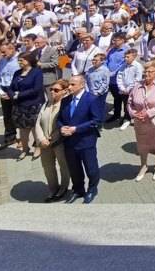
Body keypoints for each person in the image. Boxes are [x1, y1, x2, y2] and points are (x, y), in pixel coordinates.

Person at [57, 74, 104, 204]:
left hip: (85, 141)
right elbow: (60, 119)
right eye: (69, 84)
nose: (70, 87)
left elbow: (97, 121)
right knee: (74, 169)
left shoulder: (92, 99)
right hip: (69, 142)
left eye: (73, 84)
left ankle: (92, 189)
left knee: (91, 168)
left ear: (82, 85)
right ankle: (78, 190)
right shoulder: (65, 100)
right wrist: (61, 128)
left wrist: (76, 129)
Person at [127, 60, 155, 181]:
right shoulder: (138, 85)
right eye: (145, 71)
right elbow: (129, 101)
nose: (146, 73)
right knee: (142, 145)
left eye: (150, 71)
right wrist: (133, 114)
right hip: (140, 122)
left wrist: (148, 113)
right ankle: (143, 166)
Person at [33, 79, 70, 202]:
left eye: (56, 90)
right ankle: (53, 189)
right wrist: (41, 138)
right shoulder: (46, 103)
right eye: (51, 89)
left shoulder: (66, 105)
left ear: (64, 91)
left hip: (59, 142)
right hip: (44, 143)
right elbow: (38, 122)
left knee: (63, 166)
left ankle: (63, 188)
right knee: (48, 167)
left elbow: (65, 124)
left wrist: (53, 138)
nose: (52, 92)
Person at [6, 52, 45, 161]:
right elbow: (11, 87)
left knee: (34, 128)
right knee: (23, 129)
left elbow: (36, 89)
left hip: (33, 105)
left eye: (21, 60)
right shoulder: (17, 73)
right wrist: (11, 94)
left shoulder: (36, 72)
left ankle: (37, 146)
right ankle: (25, 148)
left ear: (29, 60)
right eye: (18, 60)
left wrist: (20, 94)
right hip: (19, 106)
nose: (19, 62)